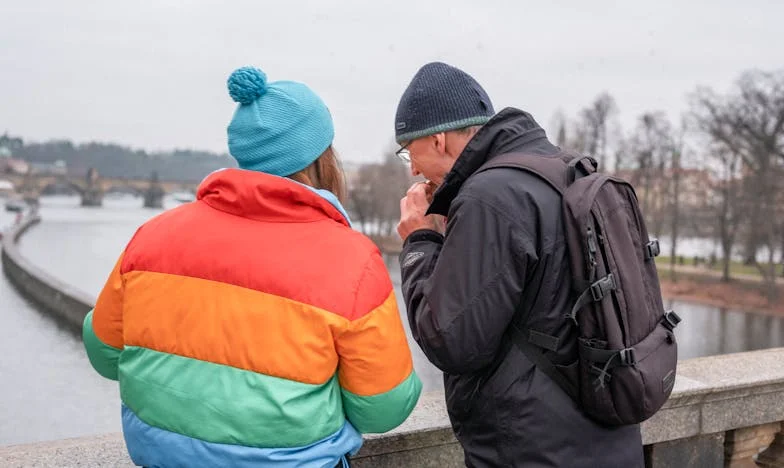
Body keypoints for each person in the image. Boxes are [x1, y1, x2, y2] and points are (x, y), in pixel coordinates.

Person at [83, 66, 422, 468]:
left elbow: (104, 354)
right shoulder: (352, 259)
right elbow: (384, 408)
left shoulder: (152, 236)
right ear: (321, 159)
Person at [394, 62, 644, 467]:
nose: (414, 168)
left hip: (533, 448)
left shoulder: (489, 196)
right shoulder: (564, 168)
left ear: (438, 140)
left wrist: (420, 241)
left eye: (410, 152)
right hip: (610, 432)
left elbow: (450, 342)